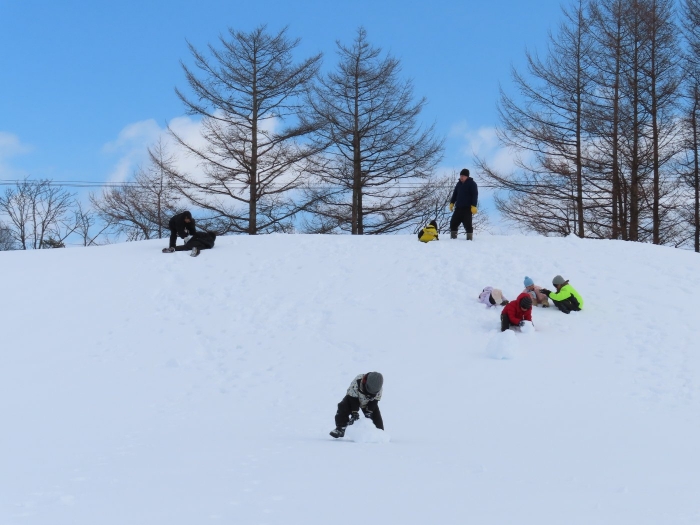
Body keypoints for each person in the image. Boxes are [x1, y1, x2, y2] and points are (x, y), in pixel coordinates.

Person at [330, 372, 384, 438]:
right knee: (343, 407)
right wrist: (354, 412)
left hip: (369, 402)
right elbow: (352, 398)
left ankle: (379, 433)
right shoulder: (358, 381)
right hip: (353, 398)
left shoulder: (379, 389)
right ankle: (340, 428)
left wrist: (369, 411)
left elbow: (375, 401)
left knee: (376, 417)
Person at [449, 168, 478, 240]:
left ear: (467, 176)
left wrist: (474, 206)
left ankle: (469, 239)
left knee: (468, 225)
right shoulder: (458, 184)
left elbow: (475, 195)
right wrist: (452, 203)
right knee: (453, 223)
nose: (461, 177)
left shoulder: (472, 184)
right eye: (460, 176)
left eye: (463, 176)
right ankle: (453, 238)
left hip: (467, 209)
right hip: (458, 208)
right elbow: (455, 194)